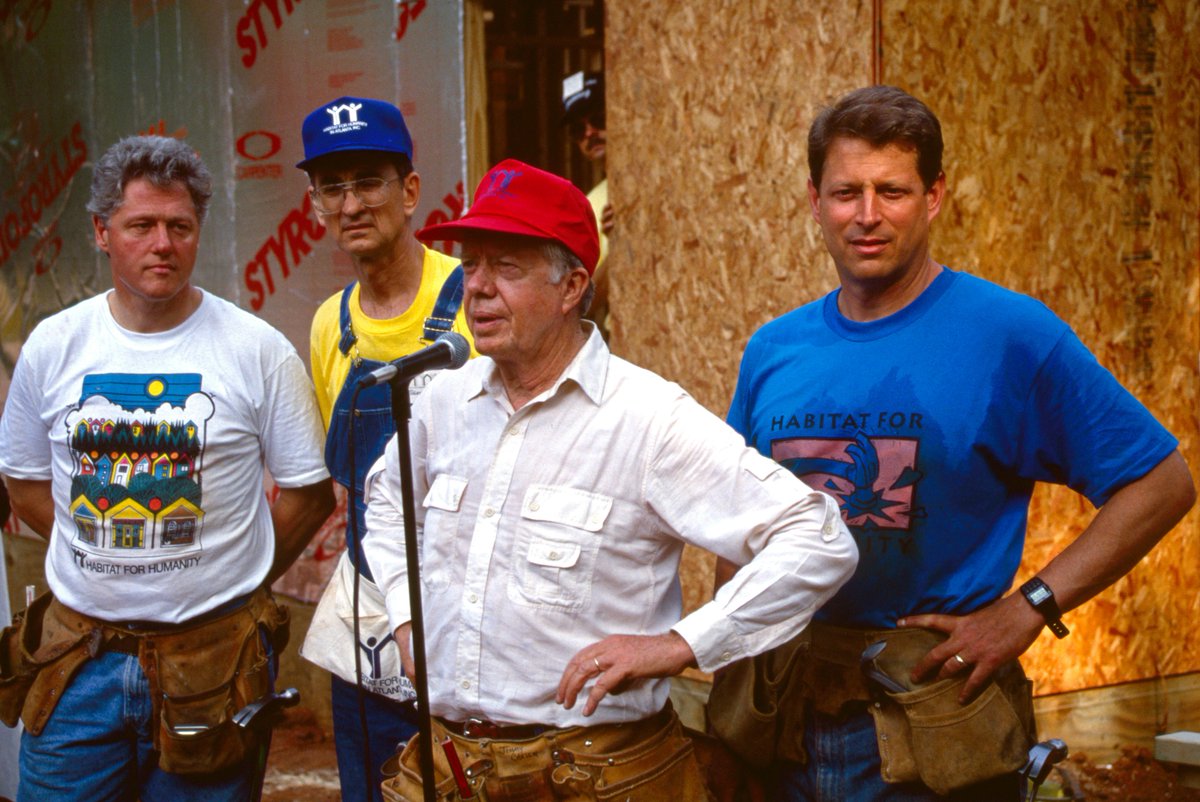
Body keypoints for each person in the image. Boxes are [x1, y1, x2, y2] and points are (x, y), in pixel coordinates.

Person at [718, 85, 1195, 800]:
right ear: (814, 200)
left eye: (893, 191)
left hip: (933, 731)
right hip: (783, 721)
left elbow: (1161, 483)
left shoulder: (1009, 336)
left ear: (934, 196)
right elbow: (737, 527)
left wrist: (1028, 607)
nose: (868, 215)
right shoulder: (774, 350)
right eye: (847, 192)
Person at [360, 158, 859, 801]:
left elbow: (817, 538)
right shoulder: (440, 402)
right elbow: (385, 499)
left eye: (505, 267)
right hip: (447, 766)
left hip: (596, 776)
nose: (475, 287)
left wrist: (682, 644)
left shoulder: (645, 418)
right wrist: (405, 614)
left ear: (571, 287)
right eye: (472, 262)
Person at [0, 135, 335, 801]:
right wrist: (96, 549)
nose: (163, 244)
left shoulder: (256, 350)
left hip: (212, 665)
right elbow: (25, 483)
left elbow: (309, 495)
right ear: (101, 232)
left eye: (179, 226)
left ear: (197, 231)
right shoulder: (54, 345)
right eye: (141, 226)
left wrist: (236, 575)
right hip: (78, 664)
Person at [294, 95, 472, 802]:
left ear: (410, 190)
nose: (351, 203)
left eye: (368, 181)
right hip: (371, 628)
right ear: (314, 204)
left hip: (469, 622)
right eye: (332, 187)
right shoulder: (328, 326)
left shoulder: (472, 300)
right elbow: (341, 489)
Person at [562, 71, 614, 336]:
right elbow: (585, 307)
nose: (590, 133)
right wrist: (619, 245)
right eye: (578, 130)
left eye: (598, 120)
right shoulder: (590, 206)